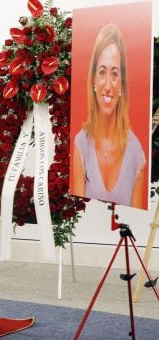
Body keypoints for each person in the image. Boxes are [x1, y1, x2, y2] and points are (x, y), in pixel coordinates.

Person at [71, 23, 146, 208]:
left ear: (122, 83)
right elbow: (79, 211)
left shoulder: (136, 153)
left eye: (114, 74)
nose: (107, 85)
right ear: (93, 80)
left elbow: (135, 220)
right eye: (102, 72)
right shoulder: (81, 144)